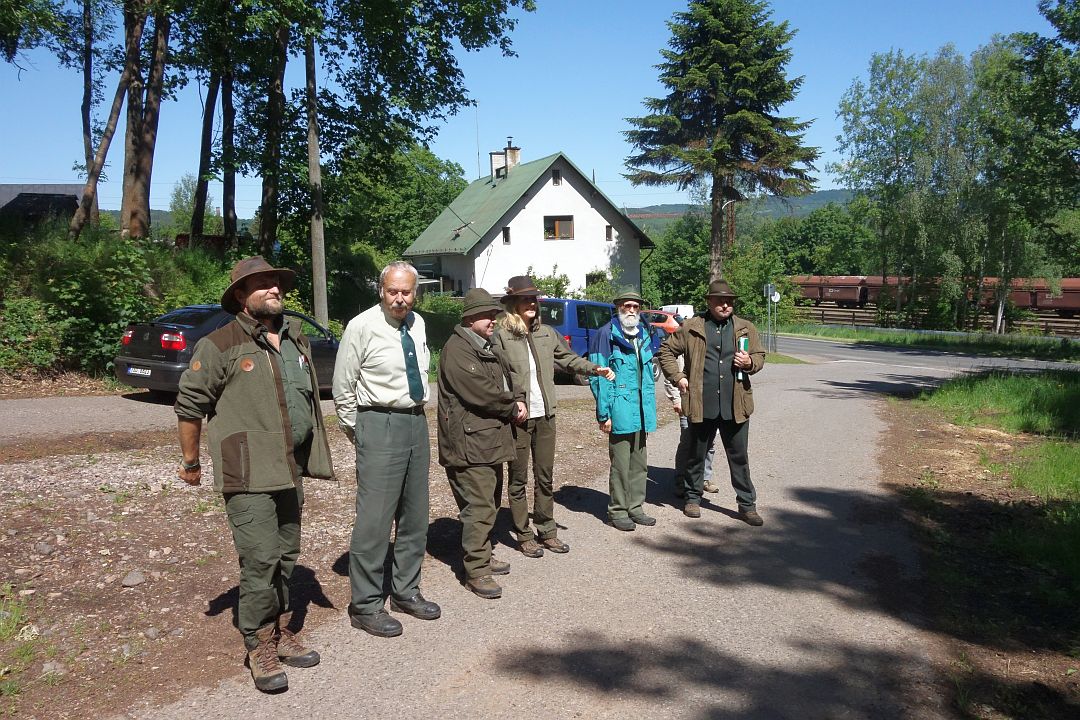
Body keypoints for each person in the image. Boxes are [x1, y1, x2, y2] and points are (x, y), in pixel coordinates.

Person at [175, 256, 333, 693]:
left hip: (289, 469)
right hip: (247, 474)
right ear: (241, 296)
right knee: (261, 559)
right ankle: (259, 643)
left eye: (277, 283)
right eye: (262, 284)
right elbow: (189, 406)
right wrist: (191, 462)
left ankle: (280, 630)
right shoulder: (220, 344)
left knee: (286, 555)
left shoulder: (295, 339)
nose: (274, 289)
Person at [332, 261, 440, 638]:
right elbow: (343, 387)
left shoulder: (418, 324)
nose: (399, 299)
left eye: (406, 292)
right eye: (392, 291)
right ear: (381, 290)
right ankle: (365, 605)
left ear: (415, 293)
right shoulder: (361, 326)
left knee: (415, 515)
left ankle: (406, 591)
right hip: (378, 422)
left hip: (415, 421)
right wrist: (361, 432)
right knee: (374, 520)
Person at [492, 275, 614, 557]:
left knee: (544, 476)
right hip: (518, 418)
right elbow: (498, 377)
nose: (532, 304)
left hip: (546, 415)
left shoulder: (547, 333)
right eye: (525, 299)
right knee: (518, 479)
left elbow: (568, 359)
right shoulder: (502, 337)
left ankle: (546, 530)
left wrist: (594, 368)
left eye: (534, 299)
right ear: (513, 303)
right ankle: (524, 535)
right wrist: (512, 403)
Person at [437, 289, 527, 598]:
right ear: (470, 319)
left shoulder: (483, 344)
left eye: (494, 315)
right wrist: (512, 405)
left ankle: (483, 556)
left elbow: (506, 379)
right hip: (469, 445)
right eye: (488, 316)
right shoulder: (458, 350)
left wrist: (516, 397)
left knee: (489, 502)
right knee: (479, 507)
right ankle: (476, 571)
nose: (494, 320)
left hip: (486, 441)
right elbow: (482, 392)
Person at [658, 279, 766, 524]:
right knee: (696, 455)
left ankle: (747, 506)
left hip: (735, 404)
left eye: (729, 301)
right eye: (720, 301)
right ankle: (692, 499)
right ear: (709, 302)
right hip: (701, 402)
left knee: (739, 458)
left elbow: (759, 355)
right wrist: (678, 377)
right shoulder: (692, 327)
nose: (725, 305)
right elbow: (666, 351)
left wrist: (750, 362)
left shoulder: (745, 327)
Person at [587, 289, 658, 531]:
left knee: (639, 464)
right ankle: (617, 511)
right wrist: (604, 414)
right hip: (619, 409)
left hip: (641, 409)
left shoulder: (643, 333)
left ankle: (636, 507)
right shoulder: (605, 334)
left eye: (636, 306)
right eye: (627, 305)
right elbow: (598, 377)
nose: (632, 310)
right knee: (620, 465)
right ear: (618, 307)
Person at [661, 317, 719, 498]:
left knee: (710, 442)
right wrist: (676, 400)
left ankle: (704, 478)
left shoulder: (704, 344)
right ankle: (681, 479)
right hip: (687, 401)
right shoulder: (679, 349)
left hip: (708, 402)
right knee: (688, 441)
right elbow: (670, 378)